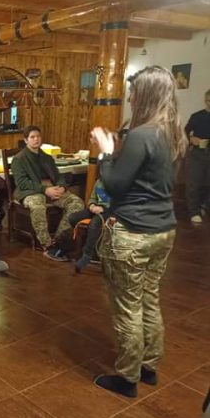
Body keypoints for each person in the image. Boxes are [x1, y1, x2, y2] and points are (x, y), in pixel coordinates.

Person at [90, 65, 188, 398]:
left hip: (133, 233)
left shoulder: (143, 134)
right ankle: (148, 366)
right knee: (149, 298)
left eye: (133, 92)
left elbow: (114, 185)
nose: (130, 98)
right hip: (164, 230)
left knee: (127, 307)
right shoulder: (173, 133)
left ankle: (127, 378)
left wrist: (105, 153)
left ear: (146, 95)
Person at [11, 125, 84, 260]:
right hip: (30, 191)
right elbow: (22, 182)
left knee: (76, 203)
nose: (36, 139)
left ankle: (59, 240)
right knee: (37, 205)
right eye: (32, 137)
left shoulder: (46, 157)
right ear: (26, 140)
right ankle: (46, 244)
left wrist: (62, 187)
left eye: (38, 136)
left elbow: (58, 175)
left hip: (51, 189)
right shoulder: (19, 159)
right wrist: (45, 189)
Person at [68, 178, 111, 273]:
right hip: (96, 208)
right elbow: (93, 197)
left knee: (94, 223)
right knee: (72, 218)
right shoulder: (99, 181)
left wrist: (103, 209)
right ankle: (84, 245)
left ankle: (87, 255)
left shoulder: (120, 181)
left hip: (110, 211)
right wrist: (92, 205)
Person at [184, 88, 210, 224]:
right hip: (197, 153)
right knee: (194, 183)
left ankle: (205, 206)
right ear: (205, 101)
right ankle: (193, 212)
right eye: (208, 100)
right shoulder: (197, 116)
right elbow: (185, 131)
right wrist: (191, 139)